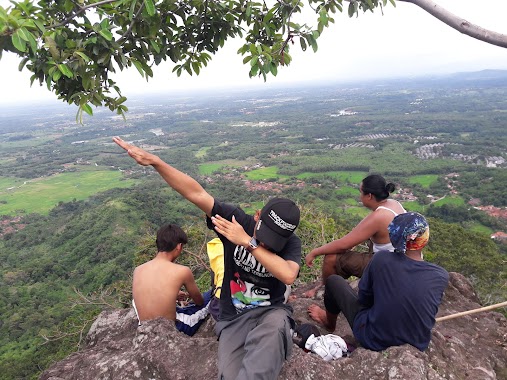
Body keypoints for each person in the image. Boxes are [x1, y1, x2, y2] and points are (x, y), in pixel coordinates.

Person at [113, 136, 302, 380]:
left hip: (270, 312)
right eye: (264, 234)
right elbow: (196, 193)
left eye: (273, 241)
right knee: (229, 373)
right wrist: (156, 162)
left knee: (275, 331)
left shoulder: (285, 243)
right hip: (233, 316)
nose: (266, 243)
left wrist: (248, 241)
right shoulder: (235, 220)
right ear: (257, 216)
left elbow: (288, 274)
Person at [308, 212, 449, 352]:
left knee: (334, 281)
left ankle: (329, 323)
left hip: (373, 339)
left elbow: (364, 299)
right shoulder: (440, 275)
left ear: (394, 237)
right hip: (417, 345)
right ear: (425, 239)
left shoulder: (381, 259)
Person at [304, 174, 405, 297]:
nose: (359, 196)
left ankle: (326, 293)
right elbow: (362, 231)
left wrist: (314, 252)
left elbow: (343, 245)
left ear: (369, 196)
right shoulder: (393, 203)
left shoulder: (380, 216)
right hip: (402, 261)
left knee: (331, 258)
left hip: (389, 268)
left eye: (361, 192)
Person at [132, 223, 212, 336]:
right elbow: (199, 301)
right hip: (173, 328)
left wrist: (173, 295)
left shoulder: (138, 270)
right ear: (179, 246)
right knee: (214, 293)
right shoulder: (183, 271)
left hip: (145, 327)